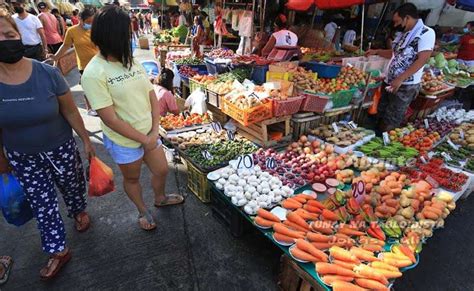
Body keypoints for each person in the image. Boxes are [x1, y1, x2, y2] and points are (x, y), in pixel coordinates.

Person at [0, 8, 93, 280]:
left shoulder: (46, 74)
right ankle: (58, 249)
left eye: (9, 34)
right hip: (23, 157)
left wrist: (86, 140)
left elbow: (71, 111)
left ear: (20, 35)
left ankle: (78, 210)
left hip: (61, 147)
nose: (5, 41)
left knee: (72, 185)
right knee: (43, 204)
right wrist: (2, 159)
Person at [81, 6, 184, 231]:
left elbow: (151, 95)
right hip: (124, 140)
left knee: (162, 169)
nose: (130, 37)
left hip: (150, 132)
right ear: (112, 36)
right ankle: (142, 210)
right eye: (126, 33)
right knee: (132, 178)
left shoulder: (131, 61)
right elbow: (110, 119)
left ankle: (160, 197)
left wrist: (154, 129)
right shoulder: (94, 72)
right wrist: (142, 138)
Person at [366, 3, 435, 132]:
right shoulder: (405, 33)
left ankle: (382, 145)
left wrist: (401, 78)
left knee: (392, 118)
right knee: (381, 113)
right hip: (390, 82)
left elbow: (422, 60)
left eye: (398, 22)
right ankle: (375, 136)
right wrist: (377, 51)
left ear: (407, 18)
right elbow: (395, 54)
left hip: (405, 85)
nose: (396, 25)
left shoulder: (426, 33)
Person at [50, 7, 98, 116]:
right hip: (85, 65)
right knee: (88, 87)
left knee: (100, 86)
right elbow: (65, 46)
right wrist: (56, 57)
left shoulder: (96, 29)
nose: (90, 24)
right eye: (88, 22)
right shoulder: (72, 31)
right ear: (80, 19)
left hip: (99, 63)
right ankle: (90, 108)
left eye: (92, 22)